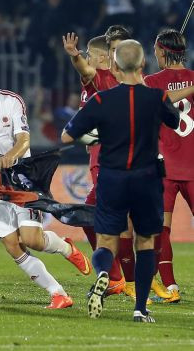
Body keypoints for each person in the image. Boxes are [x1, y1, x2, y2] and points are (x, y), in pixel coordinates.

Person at [0, 51, 90, 309]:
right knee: (13, 246)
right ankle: (58, 293)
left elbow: (23, 138)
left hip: (22, 178)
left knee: (32, 239)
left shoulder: (11, 101)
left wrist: (12, 155)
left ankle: (66, 248)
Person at [62, 39, 182, 322]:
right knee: (145, 243)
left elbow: (67, 136)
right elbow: (175, 122)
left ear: (114, 65)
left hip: (112, 178)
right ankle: (140, 308)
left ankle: (104, 272)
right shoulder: (156, 98)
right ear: (142, 65)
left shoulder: (101, 100)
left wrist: (97, 135)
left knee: (106, 241)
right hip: (147, 180)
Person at [62, 33, 125, 296]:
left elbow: (85, 69)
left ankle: (119, 277)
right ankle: (118, 275)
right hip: (100, 158)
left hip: (107, 159)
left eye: (90, 54)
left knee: (93, 216)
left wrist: (74, 55)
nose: (87, 58)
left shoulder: (102, 78)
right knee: (92, 216)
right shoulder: (105, 82)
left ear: (101, 57)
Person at [144, 29, 194, 303]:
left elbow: (155, 104)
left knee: (161, 228)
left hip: (163, 168)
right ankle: (170, 286)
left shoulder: (151, 82)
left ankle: (171, 286)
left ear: (162, 51)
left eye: (155, 50)